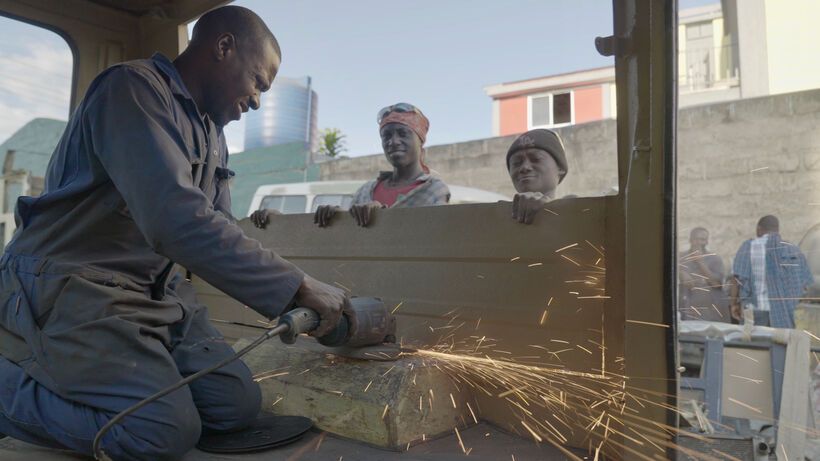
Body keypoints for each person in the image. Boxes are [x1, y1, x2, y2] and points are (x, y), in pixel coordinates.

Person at [0, 6, 347, 461]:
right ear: (224, 47)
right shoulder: (131, 89)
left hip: (154, 295)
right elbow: (175, 219)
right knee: (160, 432)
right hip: (73, 285)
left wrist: (289, 290)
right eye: (258, 82)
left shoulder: (212, 133)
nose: (258, 101)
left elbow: (217, 227)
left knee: (236, 406)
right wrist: (298, 287)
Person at [306, 103, 449, 228]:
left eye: (403, 134)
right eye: (386, 136)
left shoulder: (434, 189)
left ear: (420, 141)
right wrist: (338, 219)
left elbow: (431, 236)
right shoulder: (365, 191)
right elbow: (353, 237)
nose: (393, 141)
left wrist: (380, 215)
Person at [730, 215, 813, 328]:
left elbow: (736, 279)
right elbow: (805, 284)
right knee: (780, 340)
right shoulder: (794, 250)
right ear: (777, 229)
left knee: (754, 339)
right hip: (785, 314)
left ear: (759, 229)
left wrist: (733, 304)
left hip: (755, 312)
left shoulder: (748, 248)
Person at [505, 128, 568, 224]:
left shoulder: (578, 212)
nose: (525, 167)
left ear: (560, 168)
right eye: (516, 163)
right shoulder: (493, 218)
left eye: (536, 159)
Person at [678, 227, 730, 322]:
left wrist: (700, 262)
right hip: (688, 309)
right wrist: (681, 273)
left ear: (707, 242)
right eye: (696, 239)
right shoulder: (680, 257)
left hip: (710, 310)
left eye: (702, 239)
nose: (699, 242)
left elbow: (716, 284)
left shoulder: (715, 259)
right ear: (690, 240)